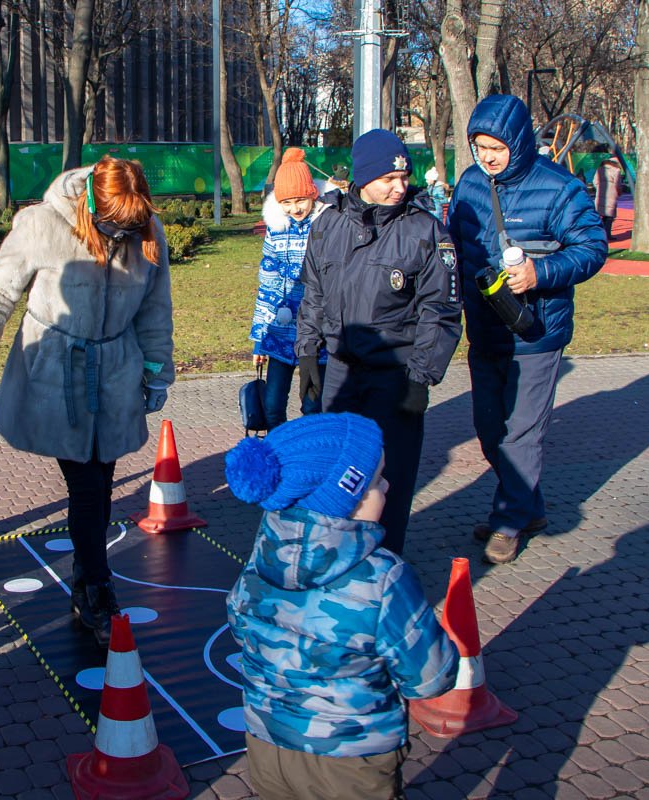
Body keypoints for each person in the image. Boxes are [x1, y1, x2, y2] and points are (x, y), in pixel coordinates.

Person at [0, 156, 175, 647]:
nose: (121, 235)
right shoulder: (41, 223)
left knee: (102, 480)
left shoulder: (146, 231)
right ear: (92, 204)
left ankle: (86, 578)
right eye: (113, 225)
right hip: (57, 373)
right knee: (88, 486)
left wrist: (156, 371)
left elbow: (155, 306)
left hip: (116, 371)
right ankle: (97, 585)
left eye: (130, 226)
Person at [225, 413, 458, 800]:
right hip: (352, 757)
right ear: (348, 498)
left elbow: (239, 623)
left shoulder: (260, 559)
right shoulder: (384, 577)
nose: (388, 485)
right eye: (377, 481)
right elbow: (429, 678)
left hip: (267, 743)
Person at [448, 94, 607, 565]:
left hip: (536, 333)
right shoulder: (470, 183)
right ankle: (529, 507)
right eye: (480, 147)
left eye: (496, 147)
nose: (487, 157)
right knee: (488, 429)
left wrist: (540, 272)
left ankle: (509, 521)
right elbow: (454, 244)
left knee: (521, 434)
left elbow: (592, 248)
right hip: (485, 328)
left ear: (517, 141)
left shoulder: (560, 187)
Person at [295, 129, 462, 556]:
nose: (399, 187)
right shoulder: (329, 223)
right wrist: (307, 352)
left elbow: (440, 310)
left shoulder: (425, 230)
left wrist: (420, 378)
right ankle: (335, 560)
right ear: (364, 177)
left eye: (404, 178)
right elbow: (313, 293)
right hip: (341, 372)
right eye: (388, 178)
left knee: (391, 482)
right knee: (337, 476)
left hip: (396, 377)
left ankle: (383, 567)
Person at [249, 147, 328, 428]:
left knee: (313, 405)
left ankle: (309, 451)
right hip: (280, 331)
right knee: (272, 406)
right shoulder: (275, 228)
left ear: (313, 194)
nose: (295, 209)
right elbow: (267, 285)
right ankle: (278, 449)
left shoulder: (326, 226)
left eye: (301, 200)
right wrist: (260, 339)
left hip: (317, 334)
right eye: (287, 202)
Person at [593, 155, 625, 241]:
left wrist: (599, 188)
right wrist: (619, 192)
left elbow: (595, 181)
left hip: (600, 194)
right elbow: (617, 184)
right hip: (611, 194)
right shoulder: (616, 170)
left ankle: (601, 234)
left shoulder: (600, 169)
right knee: (610, 216)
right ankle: (607, 234)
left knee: (602, 215)